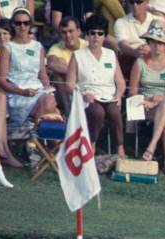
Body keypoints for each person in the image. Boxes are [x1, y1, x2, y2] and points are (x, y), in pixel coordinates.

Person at [66, 14, 126, 157]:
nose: (96, 37)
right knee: (98, 112)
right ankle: (91, 144)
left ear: (104, 36)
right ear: (87, 35)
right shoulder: (78, 55)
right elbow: (69, 84)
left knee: (115, 112)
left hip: (109, 96)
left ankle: (120, 147)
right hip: (88, 96)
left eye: (100, 34)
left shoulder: (111, 54)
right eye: (92, 33)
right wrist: (83, 95)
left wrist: (119, 95)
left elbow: (121, 82)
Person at [129, 19, 165, 176]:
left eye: (160, 42)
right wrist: (148, 102)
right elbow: (132, 93)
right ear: (148, 43)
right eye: (153, 42)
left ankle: (151, 147)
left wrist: (161, 99)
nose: (157, 46)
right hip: (145, 104)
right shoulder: (140, 63)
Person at [0, 8, 60, 127]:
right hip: (17, 92)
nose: (22, 26)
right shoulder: (8, 48)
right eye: (18, 23)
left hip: (37, 89)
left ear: (30, 25)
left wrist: (46, 87)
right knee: (51, 108)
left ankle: (33, 138)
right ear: (13, 25)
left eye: (26, 23)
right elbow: (1, 80)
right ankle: (39, 138)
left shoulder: (38, 46)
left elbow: (42, 73)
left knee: (49, 100)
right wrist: (21, 91)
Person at [0, 18, 19, 167]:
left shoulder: (16, 50)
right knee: (0, 96)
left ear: (11, 35)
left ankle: (5, 150)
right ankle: (2, 149)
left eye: (5, 33)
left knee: (2, 97)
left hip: (8, 89)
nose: (2, 37)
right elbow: (2, 79)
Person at [47, 17, 88, 112]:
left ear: (78, 31)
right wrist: (75, 74)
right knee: (57, 73)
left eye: (71, 31)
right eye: (64, 32)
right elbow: (51, 63)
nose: (67, 35)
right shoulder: (57, 47)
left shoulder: (87, 46)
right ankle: (68, 109)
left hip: (87, 85)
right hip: (68, 89)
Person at [114, 0, 164, 73]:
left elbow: (163, 44)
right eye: (131, 2)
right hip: (131, 59)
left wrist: (149, 50)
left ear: (147, 2)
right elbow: (122, 44)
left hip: (153, 57)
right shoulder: (120, 22)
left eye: (139, 2)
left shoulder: (159, 20)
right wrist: (134, 52)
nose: (135, 5)